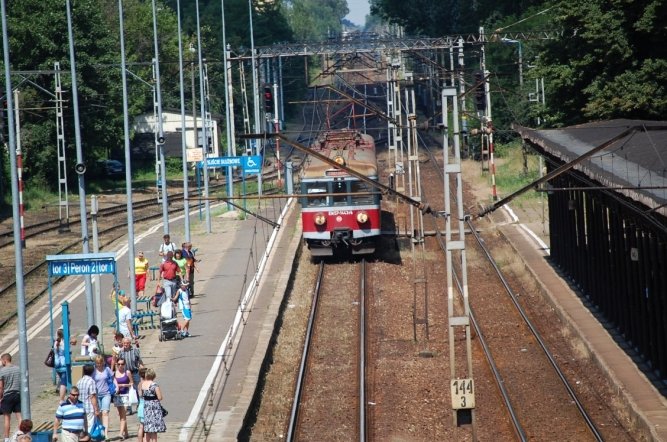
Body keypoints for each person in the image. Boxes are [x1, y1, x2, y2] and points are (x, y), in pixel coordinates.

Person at [138, 368, 166, 440]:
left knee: (147, 429)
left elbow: (141, 395)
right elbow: (160, 397)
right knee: (154, 430)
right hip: (154, 408)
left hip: (146, 407)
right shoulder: (154, 385)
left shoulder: (143, 384)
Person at [0, 353, 22, 441]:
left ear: (5, 360)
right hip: (17, 394)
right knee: (19, 416)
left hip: (7, 395)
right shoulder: (18, 369)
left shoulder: (2, 371)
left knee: (7, 418)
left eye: (1, 361)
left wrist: (0, 397)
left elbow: (1, 387)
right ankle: (21, 433)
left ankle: (6, 439)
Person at [92, 355, 113, 440]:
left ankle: (106, 433)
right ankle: (101, 431)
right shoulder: (93, 371)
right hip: (96, 395)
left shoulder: (107, 370)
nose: (99, 365)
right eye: (97, 363)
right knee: (99, 414)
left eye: (100, 363)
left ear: (103, 362)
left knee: (105, 413)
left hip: (106, 393)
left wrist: (116, 386)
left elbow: (112, 378)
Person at [75, 365, 100, 433]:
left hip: (80, 407)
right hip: (89, 407)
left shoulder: (79, 382)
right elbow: (92, 396)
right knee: (90, 426)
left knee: (83, 427)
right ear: (93, 372)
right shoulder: (91, 381)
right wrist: (96, 409)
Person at [112, 358, 131, 440]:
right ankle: (126, 433)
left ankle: (120, 433)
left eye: (122, 364)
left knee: (123, 415)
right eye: (118, 364)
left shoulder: (127, 372)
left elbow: (132, 383)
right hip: (117, 396)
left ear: (124, 364)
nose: (120, 365)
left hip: (126, 395)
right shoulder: (114, 373)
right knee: (121, 415)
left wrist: (124, 385)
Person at [136, 367, 147, 442]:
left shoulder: (139, 384)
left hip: (140, 405)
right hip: (146, 406)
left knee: (141, 426)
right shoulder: (146, 384)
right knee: (147, 428)